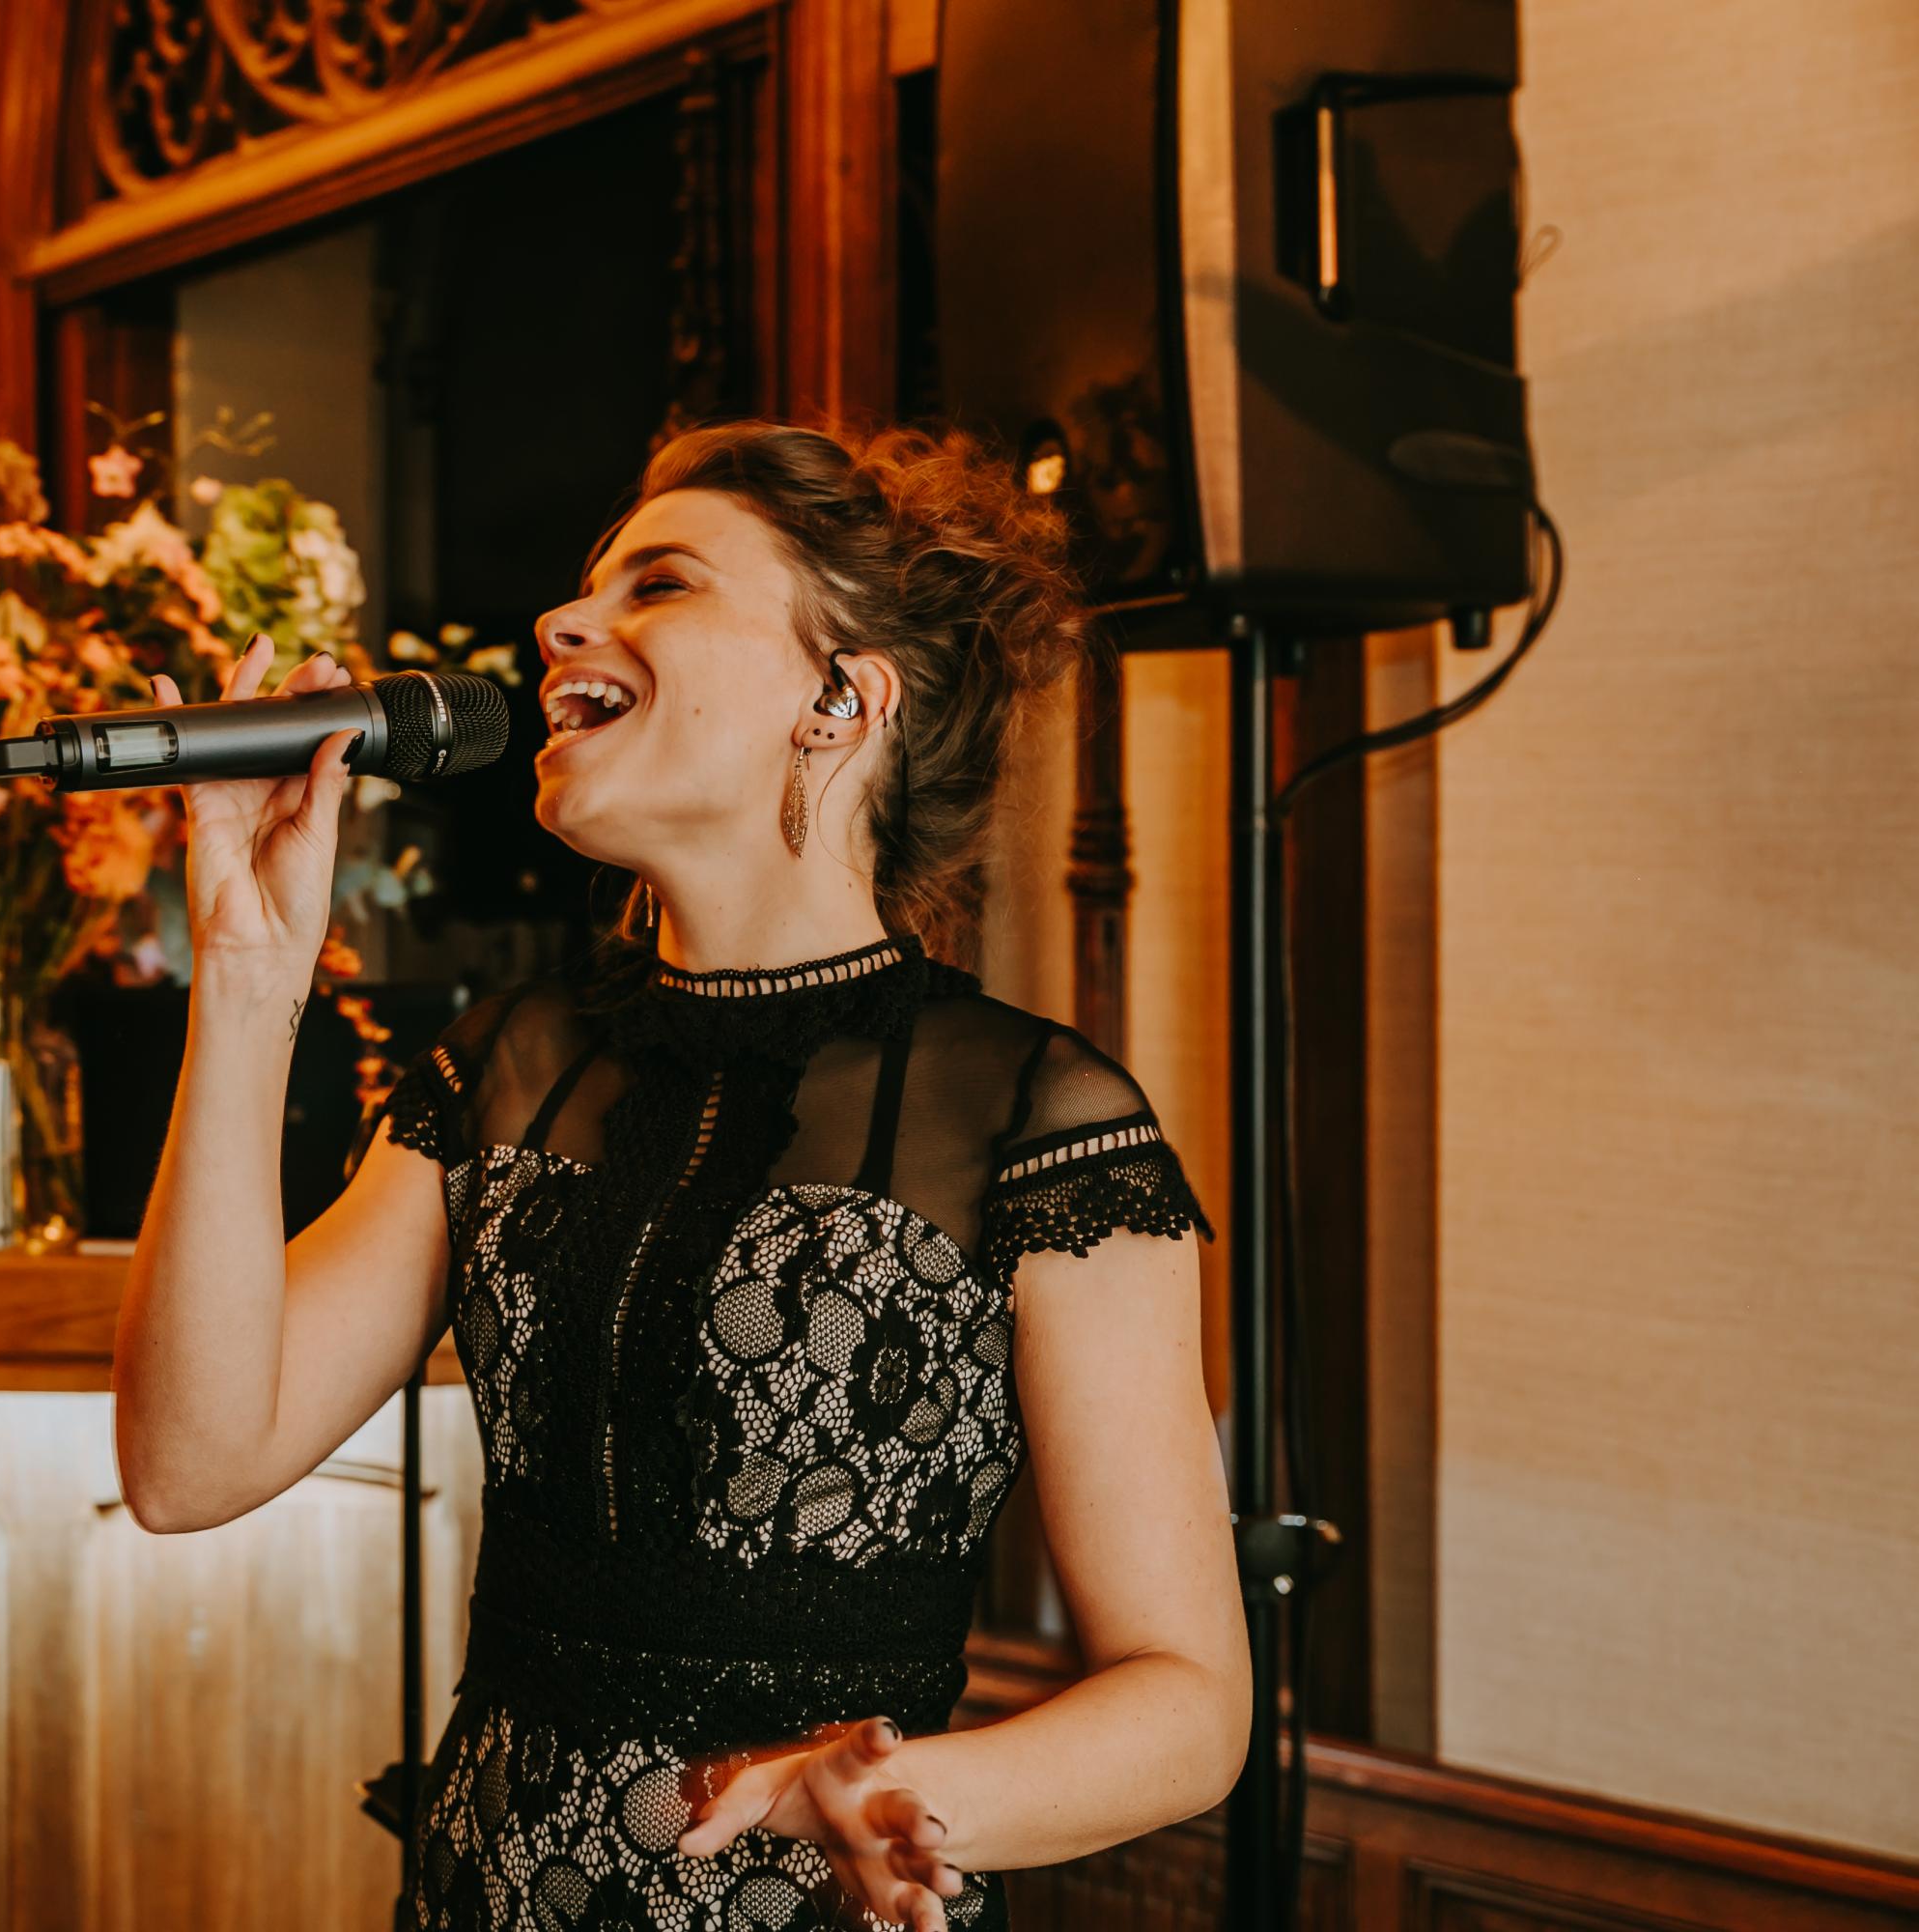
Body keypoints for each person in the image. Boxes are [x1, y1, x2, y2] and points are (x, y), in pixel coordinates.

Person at [117, 420, 1251, 1931]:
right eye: (590, 590)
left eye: (660, 585)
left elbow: (1189, 1703)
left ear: (840, 697)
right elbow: (190, 1467)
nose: (563, 625)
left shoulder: (1036, 1114)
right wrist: (247, 983)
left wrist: (912, 1797)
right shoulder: (512, 1063)